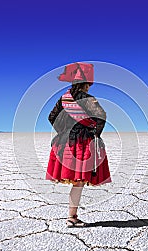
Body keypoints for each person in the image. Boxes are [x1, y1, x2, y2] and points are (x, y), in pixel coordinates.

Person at [46, 62, 111, 227]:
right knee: (78, 182)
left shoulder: (63, 98)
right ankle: (72, 217)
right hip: (81, 144)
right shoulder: (88, 99)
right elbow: (101, 117)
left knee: (77, 182)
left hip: (64, 144)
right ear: (87, 84)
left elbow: (51, 117)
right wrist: (93, 134)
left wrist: (63, 131)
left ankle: (72, 216)